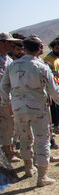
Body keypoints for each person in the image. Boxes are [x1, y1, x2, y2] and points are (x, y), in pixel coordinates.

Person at [0, 36, 59, 186]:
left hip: (18, 108)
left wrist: (7, 102)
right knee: (42, 139)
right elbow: (53, 88)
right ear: (38, 49)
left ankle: (28, 168)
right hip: (37, 107)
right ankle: (42, 177)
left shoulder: (13, 65)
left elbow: (4, 86)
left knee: (24, 138)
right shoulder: (41, 66)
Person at [44, 38, 59, 134]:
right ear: (52, 48)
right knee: (55, 106)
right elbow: (47, 70)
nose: (58, 50)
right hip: (53, 85)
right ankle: (55, 127)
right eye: (57, 48)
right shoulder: (48, 58)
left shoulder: (58, 58)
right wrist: (57, 75)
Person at [0, 33, 17, 162]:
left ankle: (9, 150)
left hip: (8, 98)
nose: (12, 44)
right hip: (3, 98)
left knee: (9, 125)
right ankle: (7, 152)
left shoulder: (8, 59)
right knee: (6, 125)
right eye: (9, 42)